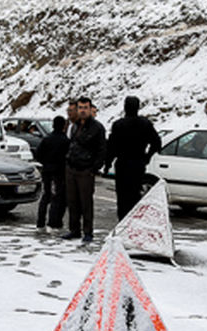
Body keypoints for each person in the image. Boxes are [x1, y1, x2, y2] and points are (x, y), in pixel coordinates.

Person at [105, 96, 162, 219]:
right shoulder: (145, 124)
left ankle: (122, 222)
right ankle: (132, 222)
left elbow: (111, 147)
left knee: (122, 197)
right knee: (135, 195)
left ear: (125, 107)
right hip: (137, 163)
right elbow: (156, 142)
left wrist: (107, 163)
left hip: (123, 163)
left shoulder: (118, 125)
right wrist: (147, 157)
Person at [62, 97, 106, 244]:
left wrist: (94, 168)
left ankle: (88, 232)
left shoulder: (97, 128)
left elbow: (102, 150)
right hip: (71, 168)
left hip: (86, 170)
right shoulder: (74, 126)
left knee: (86, 203)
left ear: (90, 109)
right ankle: (74, 229)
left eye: (85, 107)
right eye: (80, 107)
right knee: (72, 201)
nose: (82, 110)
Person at [34, 115, 69, 233]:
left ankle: (40, 222)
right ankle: (53, 222)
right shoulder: (65, 141)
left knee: (45, 196)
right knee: (57, 197)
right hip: (59, 172)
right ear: (64, 126)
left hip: (47, 170)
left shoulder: (47, 139)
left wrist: (45, 162)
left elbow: (38, 154)